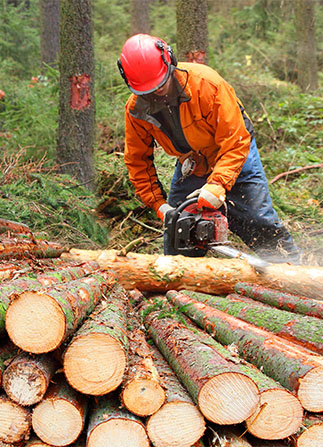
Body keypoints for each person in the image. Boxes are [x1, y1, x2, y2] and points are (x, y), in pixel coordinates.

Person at [117, 33, 302, 263]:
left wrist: (217, 186)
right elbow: (137, 160)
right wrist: (159, 205)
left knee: (258, 220)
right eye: (148, 90)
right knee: (178, 231)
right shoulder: (136, 109)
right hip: (192, 162)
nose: (157, 92)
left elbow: (235, 140)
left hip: (234, 152)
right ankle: (181, 289)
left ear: (169, 61)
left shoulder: (207, 85)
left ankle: (294, 271)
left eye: (160, 83)